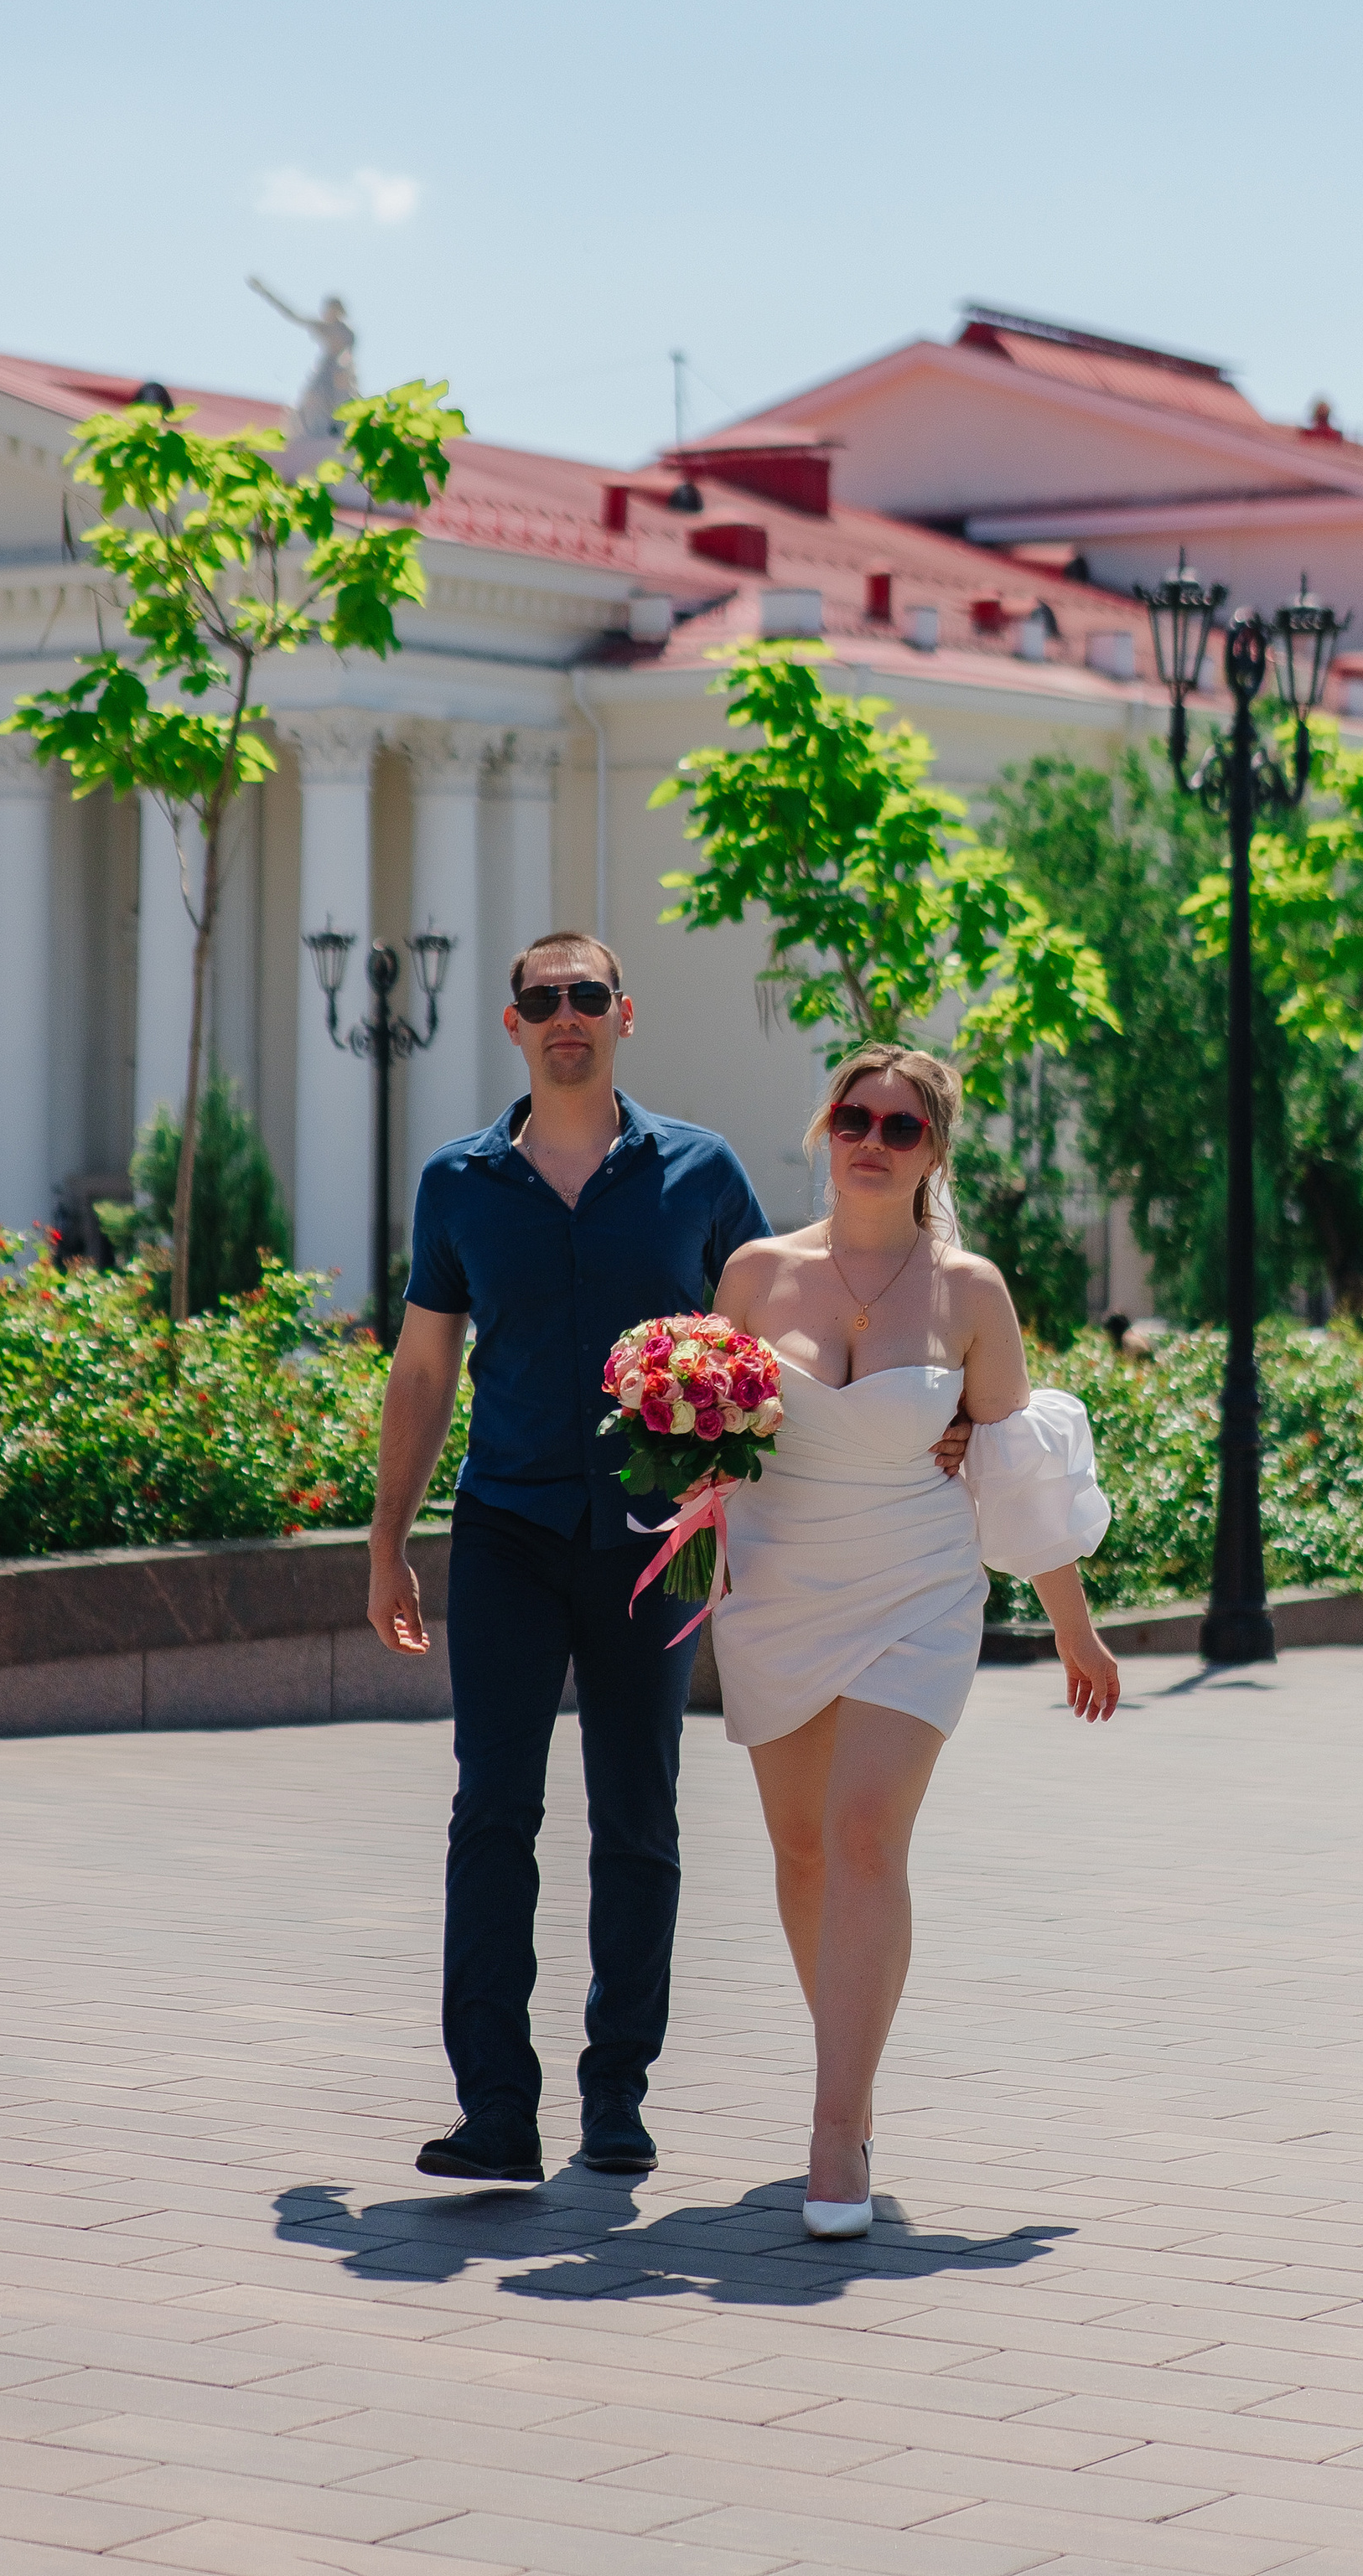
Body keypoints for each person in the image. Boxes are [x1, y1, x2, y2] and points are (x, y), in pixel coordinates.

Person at [365, 928, 772, 2188]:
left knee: (638, 1819)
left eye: (585, 995)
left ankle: (617, 2100)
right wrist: (387, 1540)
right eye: (540, 999)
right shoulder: (460, 1183)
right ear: (513, 1025)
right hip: (507, 1532)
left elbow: (774, 1338)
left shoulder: (699, 1173)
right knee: (493, 1810)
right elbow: (426, 1368)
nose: (564, 1016)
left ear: (623, 1015)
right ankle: (494, 2109)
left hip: (658, 1542)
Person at [710, 1041, 1122, 2240]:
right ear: (823, 1131)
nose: (872, 1142)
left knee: (862, 1832)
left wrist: (1074, 1633)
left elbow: (1016, 1473)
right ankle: (857, 2070)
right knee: (799, 1853)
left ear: (933, 1150)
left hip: (918, 1590)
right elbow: (701, 1443)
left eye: (901, 1127)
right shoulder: (752, 1274)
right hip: (782, 1588)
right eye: (854, 1118)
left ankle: (834, 2131)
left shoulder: (969, 1291)